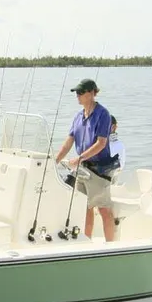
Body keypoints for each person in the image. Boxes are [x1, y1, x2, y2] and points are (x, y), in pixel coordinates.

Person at [55, 78, 118, 241]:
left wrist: (79, 158)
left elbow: (101, 143)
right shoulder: (78, 116)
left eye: (81, 92)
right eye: (76, 93)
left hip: (98, 171)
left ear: (92, 93)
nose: (78, 95)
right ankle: (86, 242)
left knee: (104, 209)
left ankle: (111, 246)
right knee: (85, 208)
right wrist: (55, 159)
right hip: (82, 170)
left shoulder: (103, 114)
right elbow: (69, 140)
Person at [109, 115, 126, 180]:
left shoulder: (119, 145)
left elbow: (120, 167)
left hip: (109, 179)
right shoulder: (97, 142)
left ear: (113, 127)